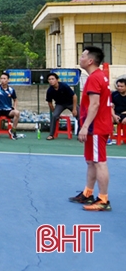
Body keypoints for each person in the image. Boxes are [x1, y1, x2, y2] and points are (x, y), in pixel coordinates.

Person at [69, 46, 112, 211]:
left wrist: (85, 126)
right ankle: (88, 193)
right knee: (91, 162)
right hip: (98, 125)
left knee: (99, 162)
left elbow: (95, 104)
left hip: (96, 127)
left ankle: (103, 200)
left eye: (82, 56)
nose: (80, 58)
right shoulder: (101, 76)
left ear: (90, 60)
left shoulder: (95, 78)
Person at [45, 72, 77, 140]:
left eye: (52, 79)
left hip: (70, 103)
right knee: (54, 116)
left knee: (80, 115)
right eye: (49, 79)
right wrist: (54, 112)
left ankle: (83, 134)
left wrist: (74, 109)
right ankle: (51, 135)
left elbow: (74, 96)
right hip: (60, 104)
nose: (51, 81)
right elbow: (50, 103)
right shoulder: (49, 90)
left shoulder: (64, 86)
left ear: (57, 80)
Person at [0, 72, 20, 139]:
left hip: (8, 111)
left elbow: (15, 100)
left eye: (4, 78)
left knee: (17, 113)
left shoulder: (11, 90)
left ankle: (13, 130)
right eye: (1, 78)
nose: (2, 80)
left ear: (8, 80)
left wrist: (15, 108)